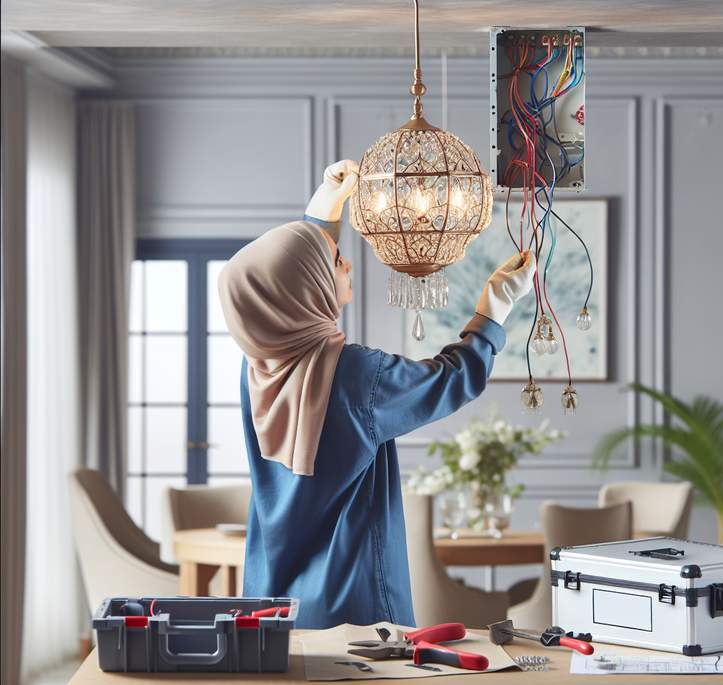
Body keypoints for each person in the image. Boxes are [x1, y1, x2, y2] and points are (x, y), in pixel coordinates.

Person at [217, 159, 536, 629]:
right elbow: (452, 379)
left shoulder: (259, 370)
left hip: (276, 601)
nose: (345, 262)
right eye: (332, 260)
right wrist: (495, 307)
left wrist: (325, 208)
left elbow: (282, 275)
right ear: (307, 290)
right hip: (355, 603)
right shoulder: (353, 374)